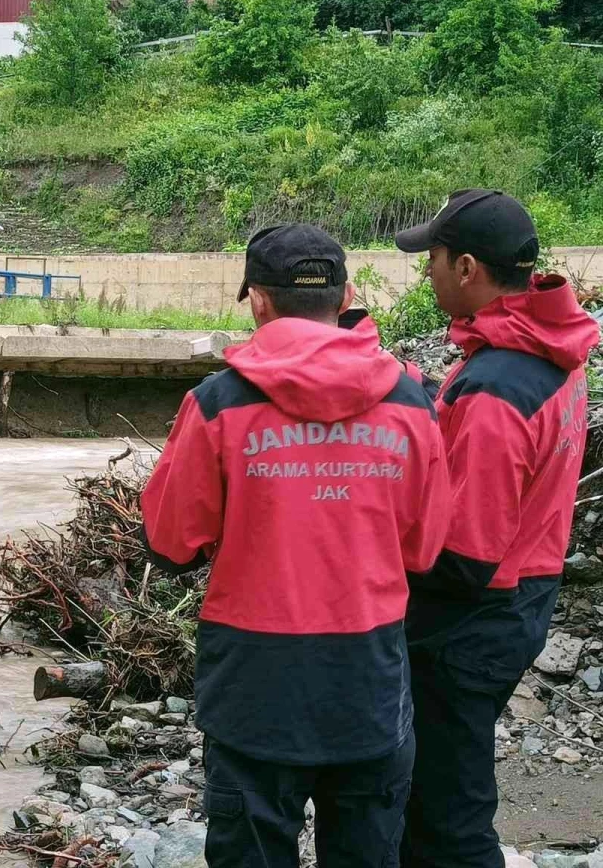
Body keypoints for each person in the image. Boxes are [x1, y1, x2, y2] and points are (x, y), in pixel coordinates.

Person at [142, 223, 452, 868]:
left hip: (256, 676)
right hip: (368, 671)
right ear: (346, 297)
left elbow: (171, 543)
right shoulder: (411, 403)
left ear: (258, 301)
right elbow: (425, 551)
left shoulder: (217, 404)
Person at [394, 191, 600, 868]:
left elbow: (465, 555)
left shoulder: (496, 389)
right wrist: (429, 398)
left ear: (467, 268)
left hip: (471, 619)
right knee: (443, 791)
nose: (426, 272)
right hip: (526, 592)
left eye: (434, 259)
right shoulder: (545, 350)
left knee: (447, 812)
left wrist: (375, 561)